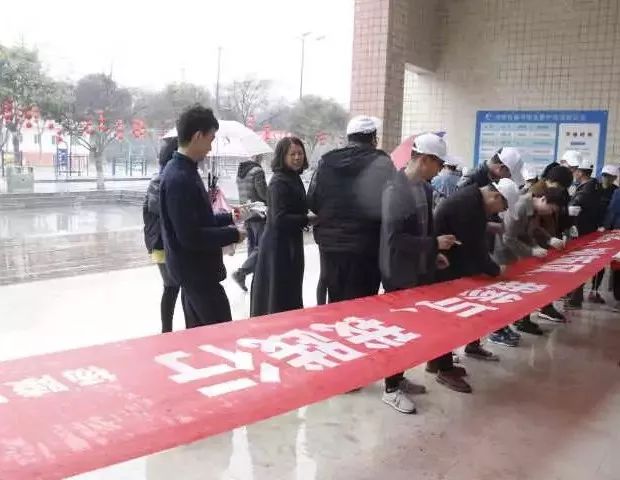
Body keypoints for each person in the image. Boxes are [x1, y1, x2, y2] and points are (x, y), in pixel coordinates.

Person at [379, 133, 459, 414]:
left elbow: (425, 229)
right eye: (439, 164)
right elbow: (395, 240)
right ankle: (390, 388)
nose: (440, 170)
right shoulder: (394, 190)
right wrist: (434, 244)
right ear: (424, 160)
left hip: (420, 269)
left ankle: (398, 378)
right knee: (397, 332)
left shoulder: (424, 189)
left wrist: (433, 254)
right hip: (398, 272)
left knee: (412, 330)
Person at [159, 105, 245, 329]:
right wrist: (233, 234)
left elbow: (198, 219)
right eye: (210, 139)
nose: (210, 148)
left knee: (201, 337)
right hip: (197, 275)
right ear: (198, 136)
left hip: (195, 274)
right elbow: (191, 236)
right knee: (221, 334)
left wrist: (228, 217)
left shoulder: (185, 170)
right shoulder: (179, 177)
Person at [308, 115, 395, 305]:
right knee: (363, 302)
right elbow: (393, 204)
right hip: (366, 246)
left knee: (336, 297)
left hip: (331, 245)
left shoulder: (326, 162)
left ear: (349, 137)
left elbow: (313, 200)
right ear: (373, 138)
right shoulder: (382, 163)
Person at [433, 179, 517, 360]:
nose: (498, 213)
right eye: (501, 208)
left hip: (457, 258)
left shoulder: (474, 198)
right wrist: (496, 269)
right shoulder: (470, 205)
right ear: (496, 196)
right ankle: (440, 361)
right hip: (444, 262)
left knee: (474, 305)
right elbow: (475, 248)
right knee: (449, 313)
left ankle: (471, 346)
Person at [493, 184, 568, 337]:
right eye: (551, 209)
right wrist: (531, 251)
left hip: (519, 251)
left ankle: (521, 320)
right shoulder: (521, 206)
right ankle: (500, 328)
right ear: (543, 199)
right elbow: (508, 237)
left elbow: (532, 229)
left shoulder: (533, 209)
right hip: (506, 253)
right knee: (506, 293)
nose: (550, 213)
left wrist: (549, 239)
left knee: (523, 288)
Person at [251, 137, 311, 316]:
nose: (297, 157)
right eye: (292, 154)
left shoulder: (293, 177)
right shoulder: (279, 181)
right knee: (279, 292)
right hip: (278, 247)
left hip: (291, 242)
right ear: (282, 156)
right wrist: (307, 219)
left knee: (290, 289)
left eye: (300, 153)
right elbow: (279, 219)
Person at [143, 137, 182, 333]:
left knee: (173, 286)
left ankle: (167, 330)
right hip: (162, 243)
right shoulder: (161, 180)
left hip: (164, 242)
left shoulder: (166, 177)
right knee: (172, 285)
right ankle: (166, 331)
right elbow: (161, 209)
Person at [566, 159, 601, 309]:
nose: (574, 173)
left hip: (581, 232)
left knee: (577, 265)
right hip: (587, 230)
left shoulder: (585, 191)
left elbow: (573, 208)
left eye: (576, 171)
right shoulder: (593, 187)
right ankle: (573, 295)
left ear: (580, 172)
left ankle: (575, 297)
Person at [232, 155, 269, 292]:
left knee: (252, 248)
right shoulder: (257, 171)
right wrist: (272, 197)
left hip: (247, 214)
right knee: (262, 247)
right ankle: (242, 272)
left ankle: (254, 280)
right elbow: (263, 193)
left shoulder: (240, 172)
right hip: (259, 214)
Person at [590, 164, 619, 303]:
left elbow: (612, 212)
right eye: (605, 175)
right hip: (592, 229)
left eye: (610, 176)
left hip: (606, 231)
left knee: (601, 263)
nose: (606, 179)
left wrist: (606, 227)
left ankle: (594, 290)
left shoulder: (615, 191)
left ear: (614, 178)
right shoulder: (593, 188)